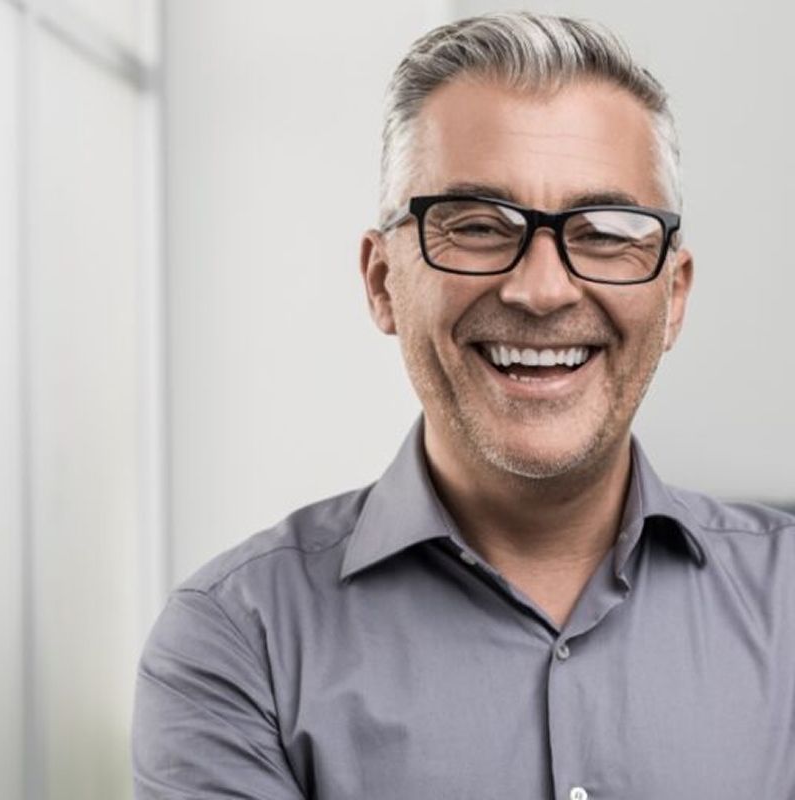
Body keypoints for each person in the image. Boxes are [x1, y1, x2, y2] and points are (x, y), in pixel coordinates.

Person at [132, 11, 795, 800]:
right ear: (383, 282)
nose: (544, 290)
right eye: (477, 226)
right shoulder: (241, 645)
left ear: (674, 296)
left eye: (607, 232)